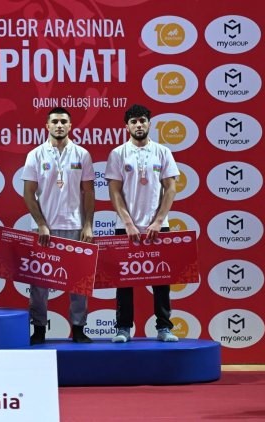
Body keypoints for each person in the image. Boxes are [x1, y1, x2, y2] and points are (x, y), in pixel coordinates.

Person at [105, 104, 180, 343]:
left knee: (161, 281)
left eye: (142, 121)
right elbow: (114, 191)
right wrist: (128, 222)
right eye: (134, 121)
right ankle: (123, 328)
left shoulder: (163, 152)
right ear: (127, 126)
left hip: (158, 226)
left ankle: (164, 327)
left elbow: (171, 188)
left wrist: (158, 221)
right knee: (123, 282)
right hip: (126, 227)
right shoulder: (118, 154)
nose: (138, 125)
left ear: (149, 123)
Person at [21, 107, 95, 345]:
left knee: (79, 282)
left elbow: (89, 192)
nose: (59, 125)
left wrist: (88, 225)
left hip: (75, 226)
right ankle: (39, 329)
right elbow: (29, 193)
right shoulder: (35, 155)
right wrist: (41, 224)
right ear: (47, 126)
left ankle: (79, 328)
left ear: (71, 126)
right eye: (55, 121)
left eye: (64, 121)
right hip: (44, 229)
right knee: (39, 284)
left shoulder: (82, 154)